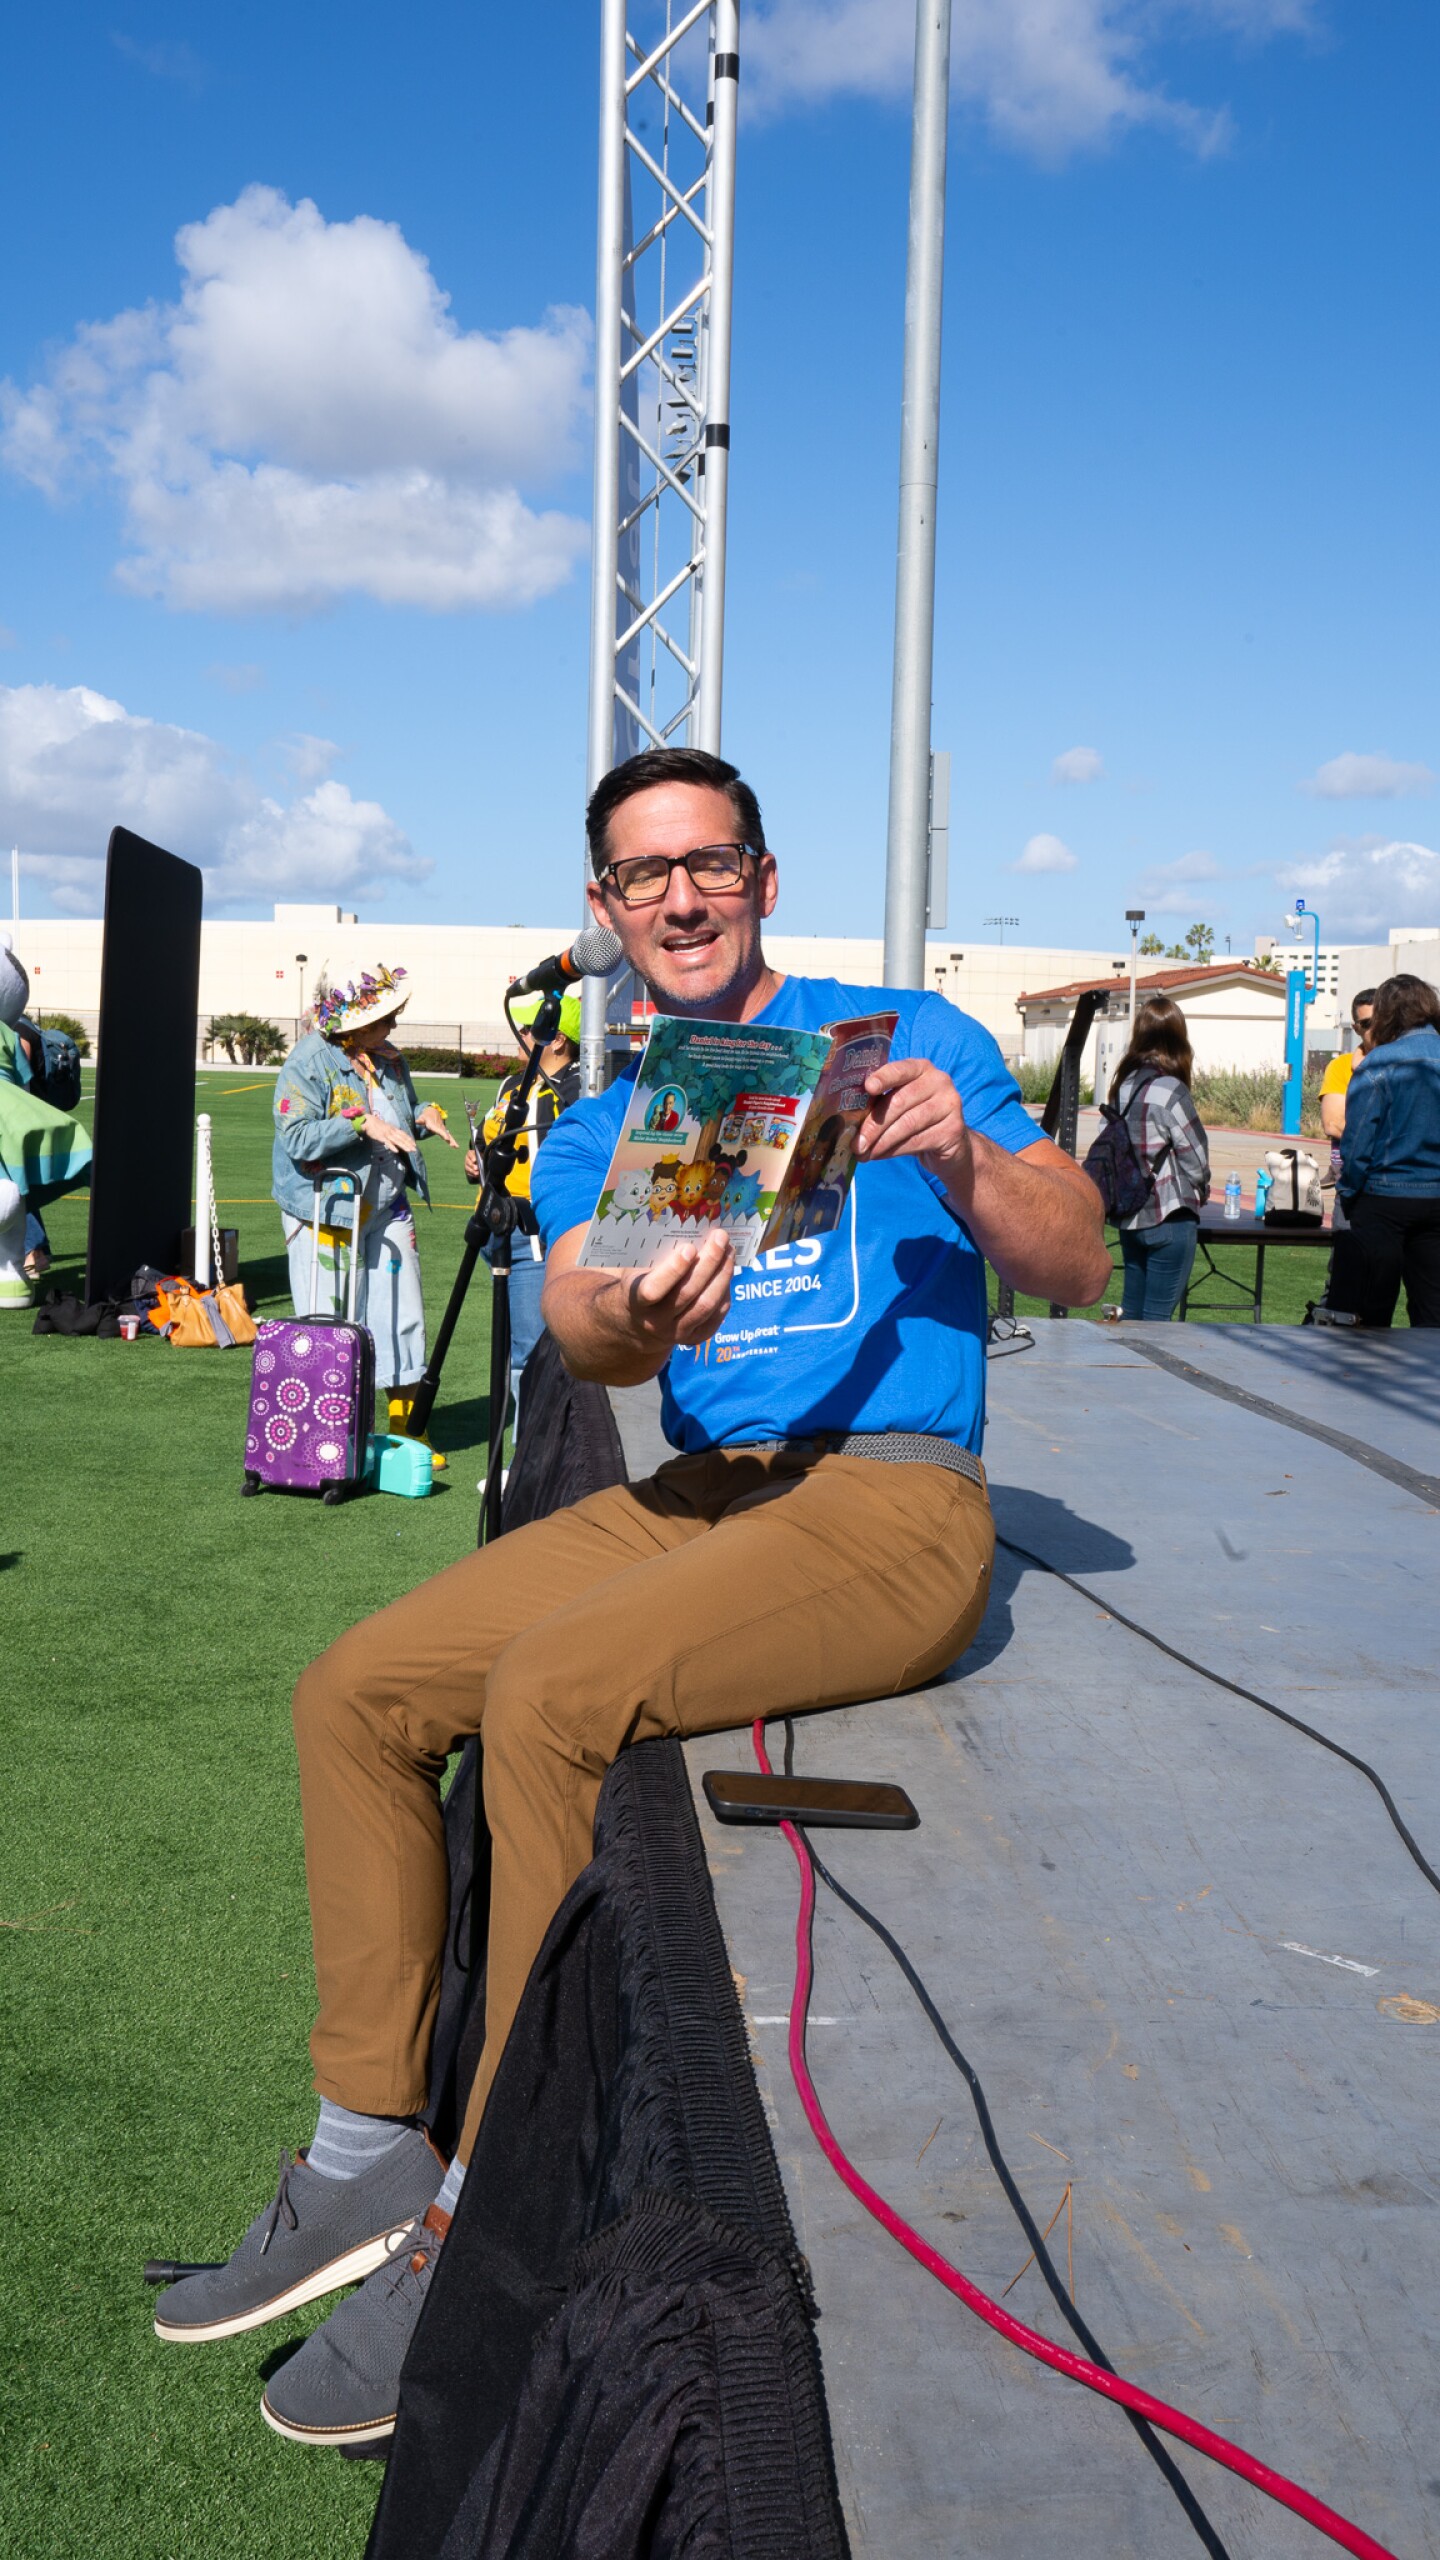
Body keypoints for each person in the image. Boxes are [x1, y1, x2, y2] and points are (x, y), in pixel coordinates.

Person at [153, 748, 1111, 2446]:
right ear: (604, 906)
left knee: (552, 1693)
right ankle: (371, 2151)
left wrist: (963, 1164)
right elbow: (585, 1328)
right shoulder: (621, 1112)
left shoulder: (915, 1040)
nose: (679, 895)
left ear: (762, 874)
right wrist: (638, 1313)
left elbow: (1078, 1256)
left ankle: (482, 2219)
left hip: (894, 1490)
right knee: (352, 1692)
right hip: (702, 1490)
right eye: (642, 874)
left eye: (710, 862)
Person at [270, 965, 459, 1457]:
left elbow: (400, 1118)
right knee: (331, 1318)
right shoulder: (307, 1063)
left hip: (387, 1205)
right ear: (348, 1025)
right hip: (325, 1210)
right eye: (382, 1020)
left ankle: (407, 1429)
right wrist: (359, 1123)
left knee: (403, 1312)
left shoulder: (390, 1059)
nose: (391, 1027)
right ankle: (329, 1433)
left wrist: (424, 1117)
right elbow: (297, 1138)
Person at [464, 990, 581, 1434]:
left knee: (531, 1351)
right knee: (511, 1347)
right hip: (496, 1226)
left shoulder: (574, 1089)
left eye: (531, 1028)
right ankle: (520, 1452)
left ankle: (527, 1460)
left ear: (559, 1040)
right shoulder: (512, 1085)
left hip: (536, 1231)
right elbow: (495, 1140)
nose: (522, 1034)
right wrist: (477, 1161)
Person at [1329, 973, 1440, 1328]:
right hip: (1436, 1198)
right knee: (1432, 1313)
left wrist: (1349, 1190)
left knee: (1371, 1317)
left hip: (1383, 1198)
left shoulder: (1378, 1063)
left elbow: (1358, 1141)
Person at [0, 932, 91, 1311]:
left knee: (12, 1194)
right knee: (15, 1193)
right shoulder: (10, 1031)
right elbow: (21, 1081)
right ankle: (14, 1283)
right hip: (14, 1122)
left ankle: (25, 1261)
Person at [1109, 996, 1211, 1320]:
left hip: (1129, 1215)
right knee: (1159, 1323)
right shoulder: (1171, 1089)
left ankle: (1127, 1372)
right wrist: (1201, 1189)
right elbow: (1195, 1158)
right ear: (1178, 1038)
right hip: (1169, 1215)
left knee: (1132, 1317)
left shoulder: (1121, 1088)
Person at [1318, 987, 1377, 1227]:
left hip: (1398, 1190)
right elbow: (1333, 1124)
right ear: (1356, 1028)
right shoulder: (1342, 1067)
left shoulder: (1408, 1064)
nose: (1377, 1029)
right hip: (1352, 1185)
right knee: (1347, 1260)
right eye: (1368, 1023)